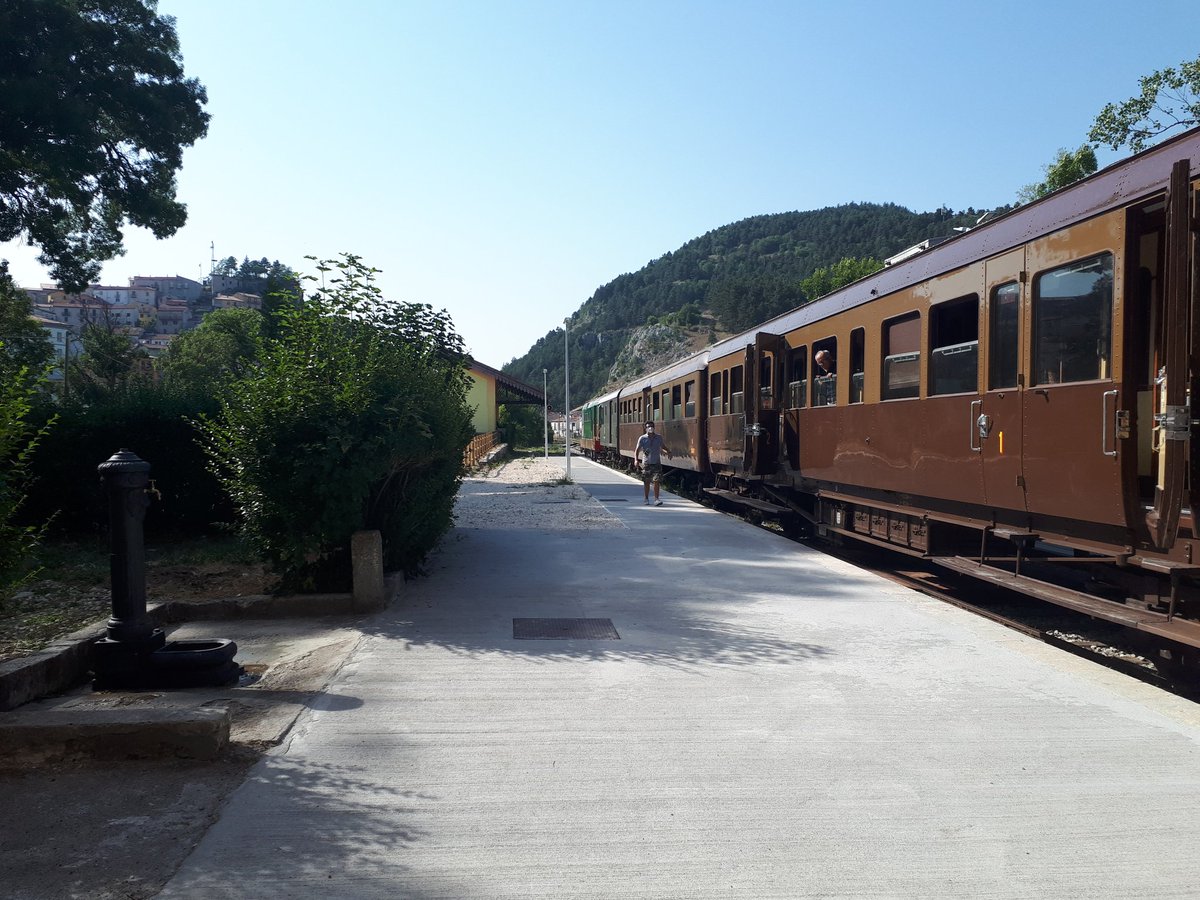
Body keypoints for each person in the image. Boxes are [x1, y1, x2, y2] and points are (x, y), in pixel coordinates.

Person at [634, 421, 672, 506]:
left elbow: (663, 446)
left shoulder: (658, 437)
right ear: (645, 428)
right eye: (648, 426)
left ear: (654, 427)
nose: (650, 428)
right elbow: (637, 450)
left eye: (651, 426)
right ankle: (646, 498)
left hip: (656, 463)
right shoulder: (642, 438)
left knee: (656, 481)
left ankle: (656, 499)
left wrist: (669, 451)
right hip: (646, 463)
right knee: (646, 482)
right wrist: (636, 460)